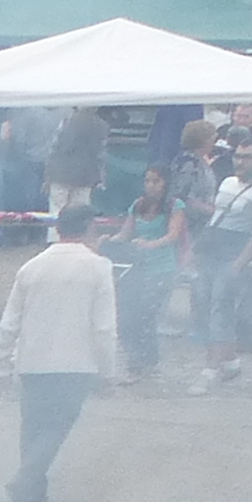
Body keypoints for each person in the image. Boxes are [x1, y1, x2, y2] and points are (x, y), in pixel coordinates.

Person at [0, 211, 122, 502]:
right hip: (76, 364)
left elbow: (9, 324)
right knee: (56, 427)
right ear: (91, 229)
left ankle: (29, 496)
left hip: (32, 361)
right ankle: (25, 482)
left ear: (57, 228)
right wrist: (108, 372)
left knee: (32, 428)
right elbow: (104, 329)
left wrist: (1, 367)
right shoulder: (98, 268)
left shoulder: (31, 267)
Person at [196, 139, 252, 388]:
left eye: (247, 157)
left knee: (220, 312)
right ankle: (231, 362)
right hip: (213, 250)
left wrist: (239, 263)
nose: (240, 161)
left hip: (236, 255)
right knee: (204, 308)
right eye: (238, 155)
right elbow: (216, 216)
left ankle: (211, 369)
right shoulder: (227, 183)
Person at [108, 163, 190, 382]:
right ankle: (134, 360)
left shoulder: (175, 205)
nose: (151, 186)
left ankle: (146, 363)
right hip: (138, 268)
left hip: (162, 268)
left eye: (156, 181)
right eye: (147, 181)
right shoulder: (138, 205)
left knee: (146, 316)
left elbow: (173, 234)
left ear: (165, 183)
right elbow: (125, 233)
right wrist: (108, 241)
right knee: (127, 316)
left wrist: (150, 244)